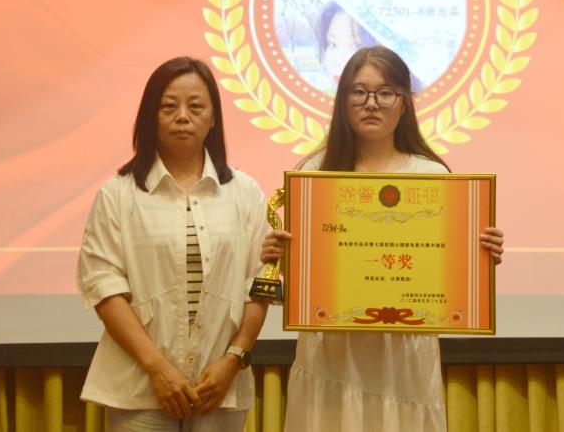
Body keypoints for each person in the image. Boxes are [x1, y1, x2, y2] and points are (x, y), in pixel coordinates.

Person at [260, 46, 505, 432]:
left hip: (403, 357)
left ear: (404, 103)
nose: (371, 103)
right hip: (332, 354)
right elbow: (305, 279)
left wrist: (477, 257)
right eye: (359, 92)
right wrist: (280, 258)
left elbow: (449, 272)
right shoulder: (314, 173)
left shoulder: (432, 176)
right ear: (343, 101)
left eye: (386, 92)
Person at [77, 57, 270, 431]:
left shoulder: (245, 193)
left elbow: (259, 286)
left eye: (195, 107)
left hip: (220, 387)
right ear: (150, 116)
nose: (183, 116)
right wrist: (158, 369)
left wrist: (233, 359)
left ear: (213, 119)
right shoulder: (117, 194)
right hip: (138, 386)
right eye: (169, 107)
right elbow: (104, 287)